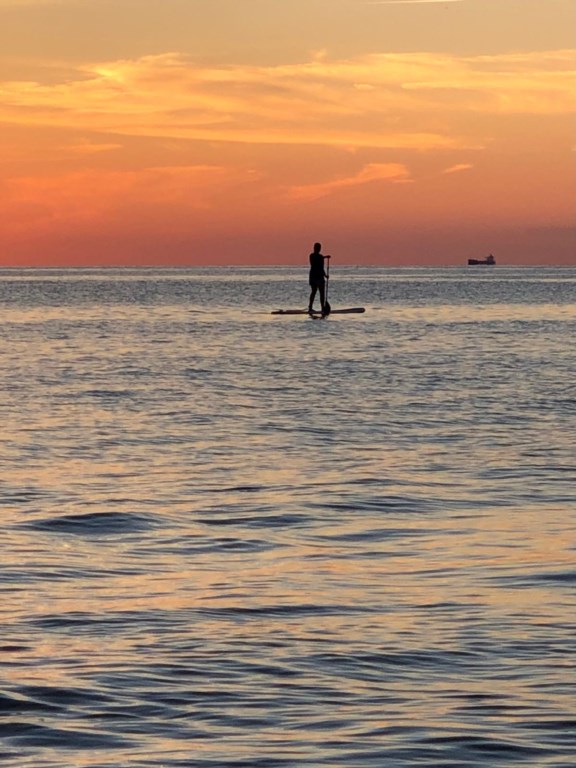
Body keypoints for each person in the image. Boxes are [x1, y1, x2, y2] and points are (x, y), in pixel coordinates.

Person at [308, 242, 330, 315]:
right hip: (314, 277)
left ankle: (322, 308)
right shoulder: (312, 256)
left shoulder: (320, 257)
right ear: (314, 248)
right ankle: (310, 307)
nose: (318, 249)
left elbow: (321, 267)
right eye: (317, 248)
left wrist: (325, 275)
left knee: (322, 294)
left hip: (320, 277)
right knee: (314, 292)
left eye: (319, 248)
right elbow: (315, 263)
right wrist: (324, 257)